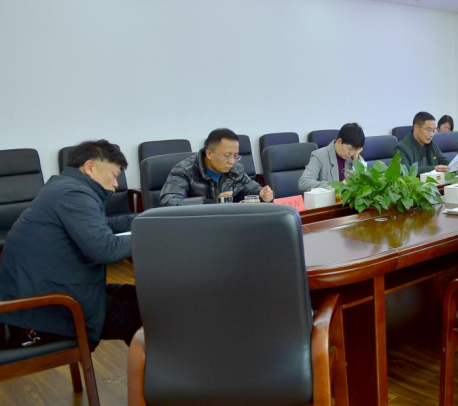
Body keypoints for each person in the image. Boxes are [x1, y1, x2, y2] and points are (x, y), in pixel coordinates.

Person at [0, 140, 140, 350]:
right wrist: (150, 236)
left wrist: (144, 219)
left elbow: (102, 226)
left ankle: (152, 367)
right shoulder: (74, 194)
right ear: (90, 167)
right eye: (114, 175)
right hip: (48, 310)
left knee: (139, 295)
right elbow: (106, 249)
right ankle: (158, 369)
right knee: (147, 315)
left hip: (48, 292)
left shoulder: (65, 187)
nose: (115, 184)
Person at [160, 128, 273, 206]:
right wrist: (212, 202)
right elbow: (169, 201)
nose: (232, 161)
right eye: (227, 155)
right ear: (209, 154)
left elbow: (249, 187)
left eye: (235, 156)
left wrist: (261, 193)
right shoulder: (184, 171)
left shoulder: (236, 169)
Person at [299, 123, 366, 192]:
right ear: (340, 141)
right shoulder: (319, 155)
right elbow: (304, 183)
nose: (351, 153)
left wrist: (356, 159)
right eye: (349, 149)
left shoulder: (353, 157)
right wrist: (336, 185)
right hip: (329, 198)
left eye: (355, 150)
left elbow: (365, 182)